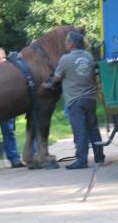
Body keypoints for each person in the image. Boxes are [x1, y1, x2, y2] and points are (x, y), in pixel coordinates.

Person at [42, 31, 105, 169]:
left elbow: (57, 77)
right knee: (93, 129)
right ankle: (99, 157)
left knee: (80, 131)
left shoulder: (65, 59)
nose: (65, 43)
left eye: (66, 41)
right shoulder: (88, 56)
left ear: (71, 43)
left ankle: (81, 161)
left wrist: (47, 84)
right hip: (90, 99)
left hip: (75, 101)